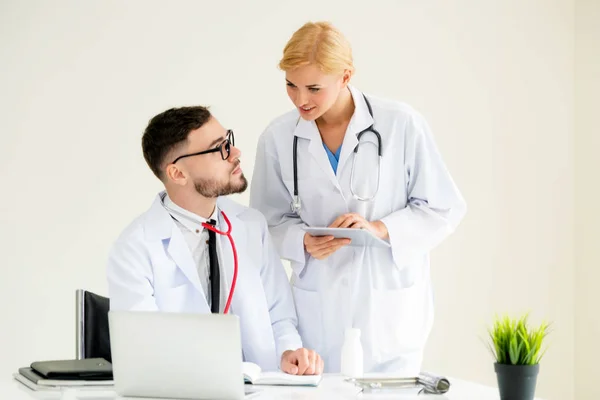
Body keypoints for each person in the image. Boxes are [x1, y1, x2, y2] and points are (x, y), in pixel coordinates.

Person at [249, 21, 467, 374]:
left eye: (314, 88)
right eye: (291, 85)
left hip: (389, 312)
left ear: (346, 76)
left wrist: (380, 228)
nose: (300, 99)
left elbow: (444, 207)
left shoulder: (401, 124)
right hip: (316, 314)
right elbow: (265, 222)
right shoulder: (277, 138)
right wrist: (301, 240)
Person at [107, 105, 323, 375]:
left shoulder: (250, 226)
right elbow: (142, 350)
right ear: (177, 174)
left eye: (228, 141)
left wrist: (288, 353)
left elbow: (280, 317)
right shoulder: (135, 248)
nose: (235, 153)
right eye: (218, 148)